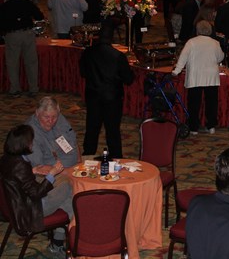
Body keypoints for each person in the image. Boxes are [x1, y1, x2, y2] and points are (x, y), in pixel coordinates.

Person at [0, 124, 73, 256]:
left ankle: (59, 241)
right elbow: (36, 194)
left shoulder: (6, 159)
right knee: (69, 187)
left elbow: (15, 178)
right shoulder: (20, 165)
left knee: (67, 198)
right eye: (30, 141)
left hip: (16, 206)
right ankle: (64, 240)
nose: (32, 143)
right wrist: (52, 172)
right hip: (31, 210)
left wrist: (32, 171)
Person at [79, 22, 135, 159]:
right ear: (112, 38)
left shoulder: (88, 52)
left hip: (93, 96)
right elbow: (128, 79)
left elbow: (83, 73)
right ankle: (116, 156)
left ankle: (88, 155)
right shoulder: (118, 56)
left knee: (92, 127)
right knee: (112, 130)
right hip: (112, 98)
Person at [173, 21, 224, 135]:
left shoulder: (191, 42)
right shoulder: (215, 43)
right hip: (211, 76)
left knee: (194, 103)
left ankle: (193, 128)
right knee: (211, 102)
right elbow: (220, 57)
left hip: (195, 76)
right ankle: (211, 126)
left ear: (197, 30)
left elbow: (183, 57)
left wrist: (176, 71)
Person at [0, 0, 44, 96]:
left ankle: (15, 89)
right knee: (31, 62)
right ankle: (33, 88)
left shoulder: (4, 6)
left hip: (12, 35)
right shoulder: (26, 2)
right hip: (28, 33)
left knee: (12, 63)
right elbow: (39, 16)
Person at [24, 97, 80, 174]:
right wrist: (70, 173)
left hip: (73, 165)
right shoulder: (30, 133)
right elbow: (40, 168)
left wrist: (79, 163)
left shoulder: (59, 117)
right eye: (46, 117)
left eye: (54, 117)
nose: (51, 121)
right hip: (53, 173)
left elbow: (73, 140)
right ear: (37, 113)